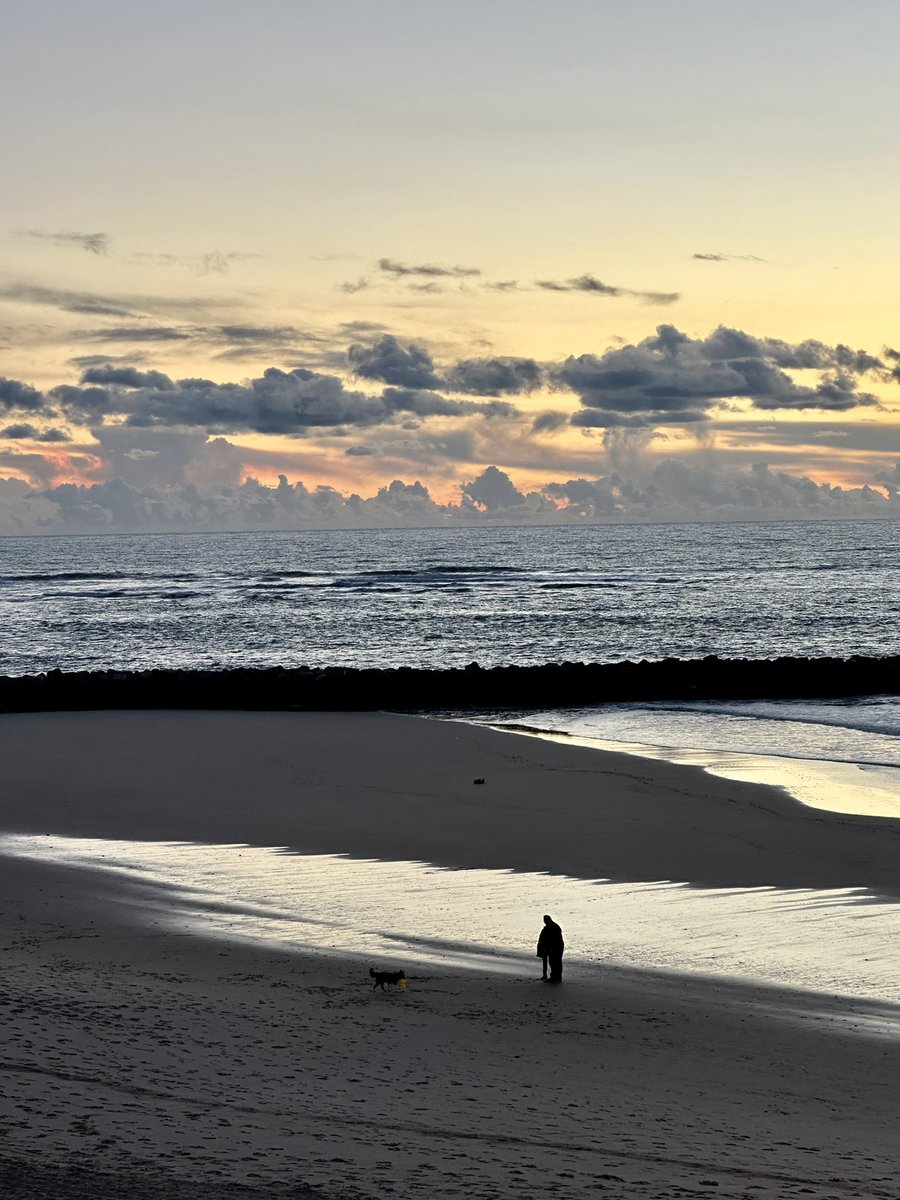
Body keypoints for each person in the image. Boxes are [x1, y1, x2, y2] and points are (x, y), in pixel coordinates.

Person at [536, 913, 564, 982]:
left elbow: (556, 939)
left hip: (556, 948)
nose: (545, 921)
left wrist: (553, 948)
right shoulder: (549, 927)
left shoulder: (554, 927)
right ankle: (554, 977)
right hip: (550, 948)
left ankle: (556, 977)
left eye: (545, 920)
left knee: (556, 962)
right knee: (553, 962)